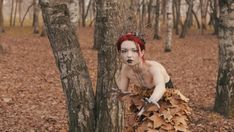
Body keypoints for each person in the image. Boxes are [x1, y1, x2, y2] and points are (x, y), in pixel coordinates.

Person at [116, 32, 174, 109]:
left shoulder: (153, 68)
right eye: (124, 51)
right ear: (120, 53)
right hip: (145, 99)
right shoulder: (126, 70)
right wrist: (119, 94)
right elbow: (122, 94)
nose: (129, 55)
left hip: (167, 98)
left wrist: (152, 100)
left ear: (142, 52)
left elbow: (160, 86)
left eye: (134, 51)